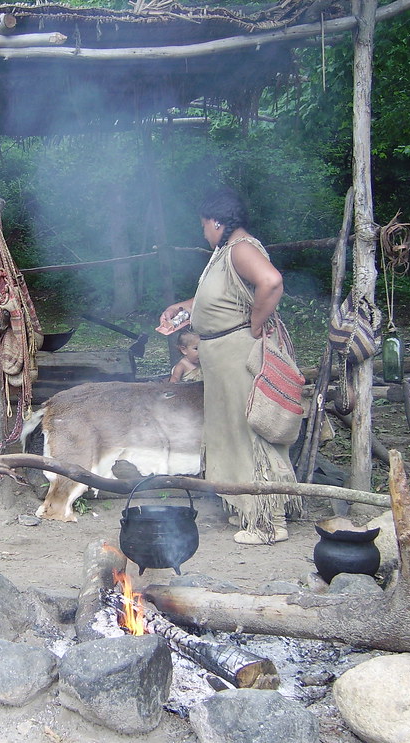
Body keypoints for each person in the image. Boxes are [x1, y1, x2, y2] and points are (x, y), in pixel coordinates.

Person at [159, 188, 301, 545]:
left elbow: (271, 281)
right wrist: (184, 308)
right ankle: (248, 508)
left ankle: (269, 522)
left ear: (217, 221)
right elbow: (220, 298)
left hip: (239, 355)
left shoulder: (241, 248)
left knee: (246, 433)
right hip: (222, 358)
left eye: (204, 225)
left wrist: (255, 324)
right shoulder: (226, 252)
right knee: (231, 433)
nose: (203, 232)